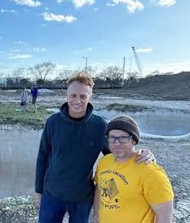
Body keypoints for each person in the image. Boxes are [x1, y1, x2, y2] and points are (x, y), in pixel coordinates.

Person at [35, 72, 154, 223]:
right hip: (51, 195)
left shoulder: (99, 126)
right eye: (73, 95)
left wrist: (142, 153)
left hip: (82, 199)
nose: (77, 100)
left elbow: (118, 155)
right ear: (67, 96)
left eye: (83, 96)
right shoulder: (52, 122)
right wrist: (38, 190)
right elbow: (42, 157)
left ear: (90, 98)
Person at [93, 115, 173, 223]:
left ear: (134, 140)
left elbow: (164, 216)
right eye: (112, 137)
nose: (117, 143)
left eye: (123, 138)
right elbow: (99, 190)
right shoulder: (104, 161)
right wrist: (96, 217)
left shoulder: (151, 172)